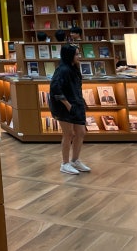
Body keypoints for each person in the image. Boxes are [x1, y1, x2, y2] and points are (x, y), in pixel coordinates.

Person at [49, 44, 90, 175]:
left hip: (76, 104)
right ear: (69, 55)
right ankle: (65, 163)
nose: (79, 56)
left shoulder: (74, 69)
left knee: (81, 132)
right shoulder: (62, 70)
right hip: (64, 106)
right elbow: (55, 89)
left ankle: (75, 160)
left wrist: (82, 102)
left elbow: (77, 88)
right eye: (76, 54)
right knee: (68, 134)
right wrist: (67, 105)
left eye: (79, 53)